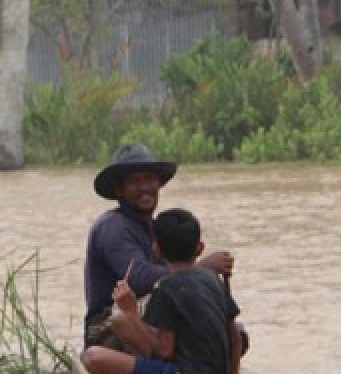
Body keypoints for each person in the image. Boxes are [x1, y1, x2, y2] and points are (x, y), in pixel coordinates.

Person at [83, 143, 235, 348]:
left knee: (235, 333)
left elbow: (174, 274)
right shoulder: (113, 227)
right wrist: (202, 268)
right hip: (107, 327)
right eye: (135, 182)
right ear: (120, 189)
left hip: (153, 317)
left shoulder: (156, 227)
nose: (145, 187)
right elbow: (139, 279)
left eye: (149, 179)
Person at [81, 208, 244, 374]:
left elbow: (164, 351)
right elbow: (236, 337)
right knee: (120, 322)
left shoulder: (165, 288)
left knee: (92, 357)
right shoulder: (214, 279)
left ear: (156, 250)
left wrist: (132, 313)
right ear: (200, 248)